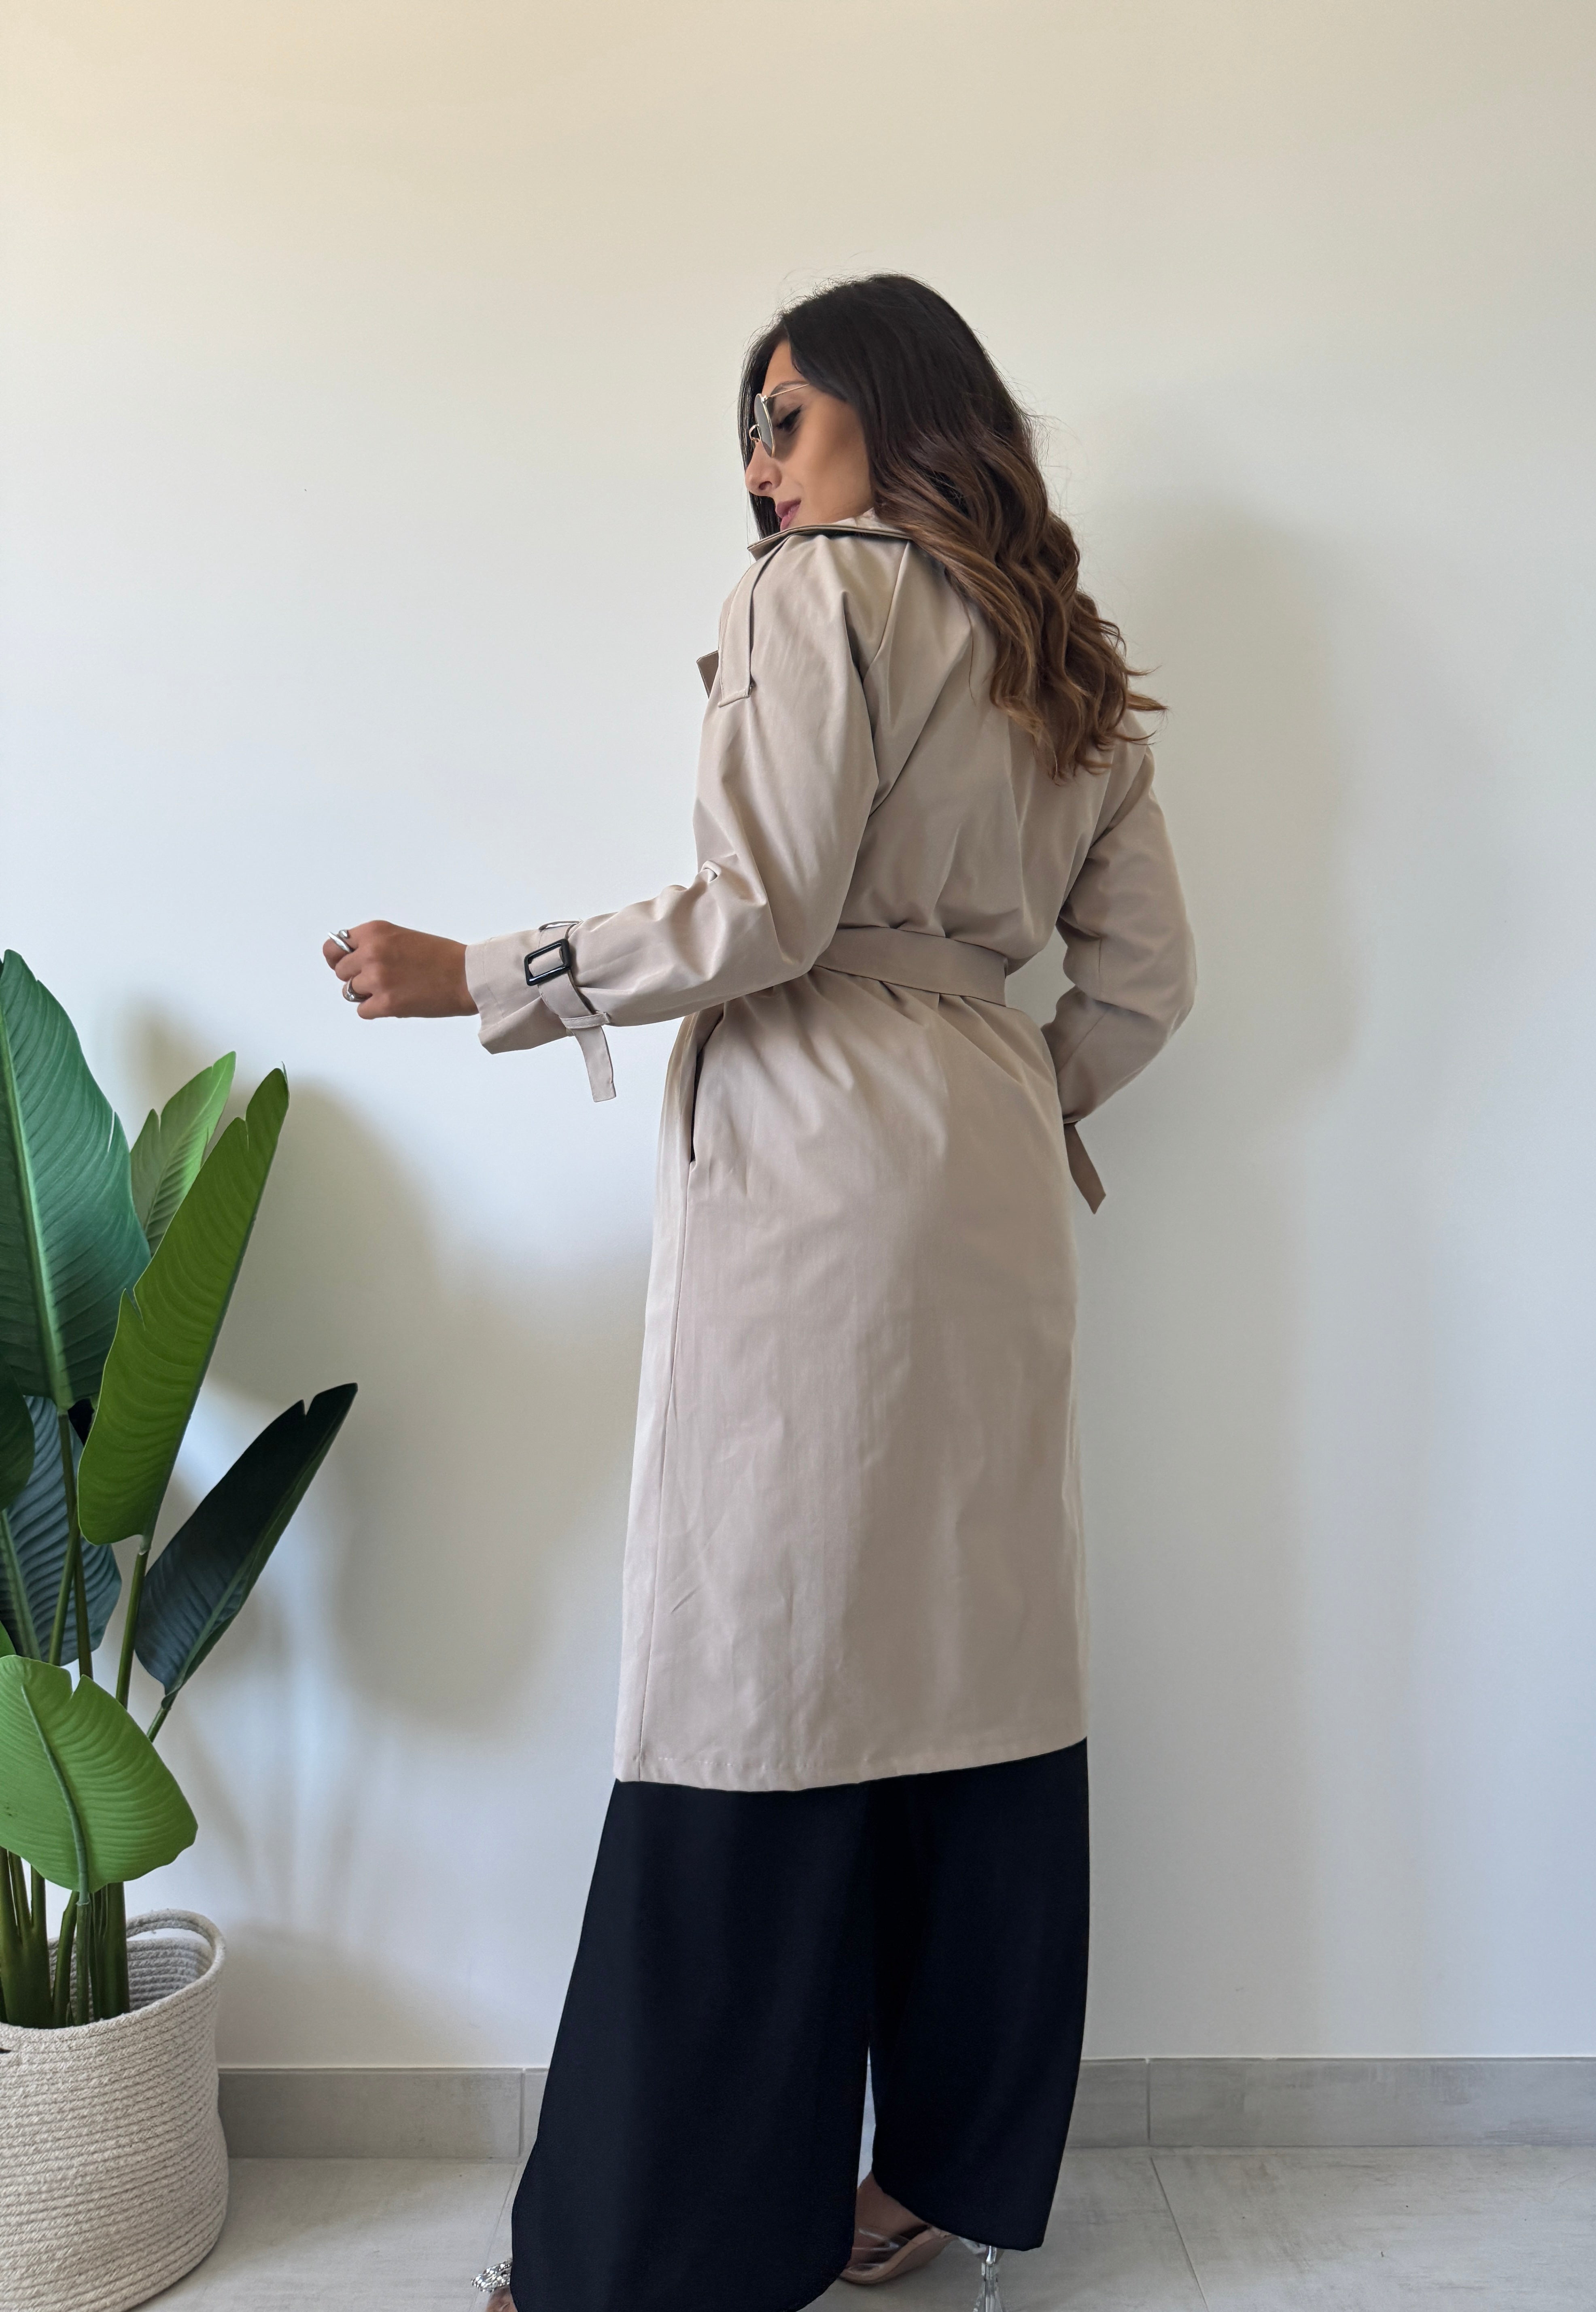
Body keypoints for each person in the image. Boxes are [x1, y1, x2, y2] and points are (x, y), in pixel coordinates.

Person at [323, 273, 1194, 2312]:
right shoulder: (1066, 662)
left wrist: (484, 975)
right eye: (748, 429)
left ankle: (656, 2248)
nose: (760, 461)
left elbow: (767, 907)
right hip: (989, 1182)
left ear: (892, 407)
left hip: (822, 1176)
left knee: (758, 1675)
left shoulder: (825, 595)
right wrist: (1009, 1096)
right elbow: (1149, 983)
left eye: (784, 414)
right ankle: (931, 2176)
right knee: (971, 1666)